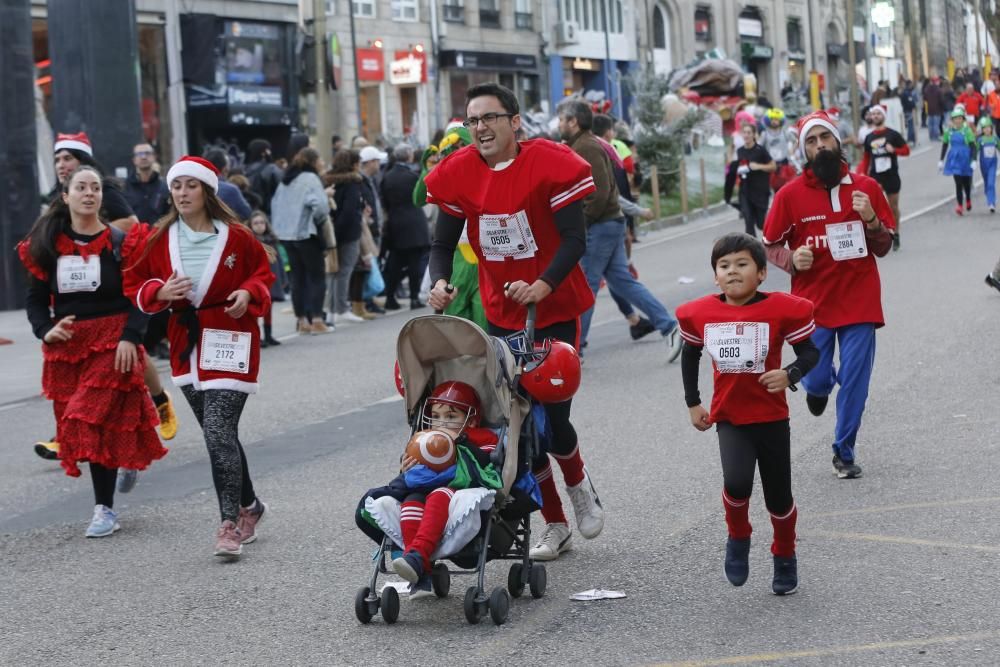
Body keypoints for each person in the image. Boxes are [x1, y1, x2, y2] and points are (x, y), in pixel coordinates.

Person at [425, 83, 605, 561]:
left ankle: (579, 484)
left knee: (551, 420)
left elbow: (574, 240)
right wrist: (439, 282)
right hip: (502, 313)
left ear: (514, 121)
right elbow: (443, 244)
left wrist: (542, 285)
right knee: (519, 427)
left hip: (554, 309)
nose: (480, 128)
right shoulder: (458, 173)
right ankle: (555, 522)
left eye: (490, 118)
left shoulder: (550, 163)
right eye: (473, 120)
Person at [123, 155, 274, 560]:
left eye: (191, 185)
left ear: (207, 191)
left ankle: (228, 525)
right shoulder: (159, 239)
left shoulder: (237, 237)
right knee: (217, 434)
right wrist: (159, 291)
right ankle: (251, 507)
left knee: (218, 430)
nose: (183, 193)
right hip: (185, 343)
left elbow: (262, 274)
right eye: (177, 186)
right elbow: (134, 281)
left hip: (230, 335)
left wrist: (248, 292)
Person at [18, 166, 166, 536]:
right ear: (65, 196)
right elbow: (36, 301)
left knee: (87, 418)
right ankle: (122, 457)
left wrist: (131, 337)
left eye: (95, 188)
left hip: (114, 341)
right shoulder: (48, 245)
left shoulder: (121, 242)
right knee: (85, 428)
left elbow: (139, 297)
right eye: (80, 187)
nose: (89, 193)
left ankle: (104, 510)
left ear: (102, 197)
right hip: (68, 347)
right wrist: (45, 330)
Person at [677, 232, 819, 595]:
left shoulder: (781, 308)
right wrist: (693, 401)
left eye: (742, 264)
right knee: (737, 482)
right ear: (715, 276)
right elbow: (690, 354)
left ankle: (784, 555)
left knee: (779, 497)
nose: (732, 272)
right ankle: (738, 536)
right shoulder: (700, 313)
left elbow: (810, 353)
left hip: (771, 418)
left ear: (761, 274)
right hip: (730, 418)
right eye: (724, 266)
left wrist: (790, 373)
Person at [762, 110, 895, 479]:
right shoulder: (789, 196)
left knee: (855, 379)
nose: (819, 145)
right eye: (811, 141)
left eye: (825, 138)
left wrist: (870, 221)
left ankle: (844, 451)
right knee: (818, 379)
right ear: (802, 149)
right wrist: (791, 259)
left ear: (838, 141)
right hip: (812, 307)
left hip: (859, 302)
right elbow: (770, 244)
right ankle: (816, 389)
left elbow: (884, 246)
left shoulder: (867, 188)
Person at [34, 132, 177, 463]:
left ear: (83, 161)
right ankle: (71, 431)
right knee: (96, 381)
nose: (61, 165)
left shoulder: (103, 190)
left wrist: (95, 238)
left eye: (67, 158)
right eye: (57, 160)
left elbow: (129, 221)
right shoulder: (60, 193)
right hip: (75, 303)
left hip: (112, 277)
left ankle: (159, 400)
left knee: (132, 352)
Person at [556, 98, 683, 360]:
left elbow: (599, 194)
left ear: (574, 122)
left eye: (562, 119)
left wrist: (581, 225)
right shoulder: (585, 144)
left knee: (586, 287)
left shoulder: (587, 147)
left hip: (600, 226)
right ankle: (669, 326)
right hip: (609, 223)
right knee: (622, 282)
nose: (558, 124)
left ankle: (573, 350)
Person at [389, 382, 500, 598]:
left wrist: (461, 443)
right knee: (411, 504)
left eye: (451, 417)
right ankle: (421, 572)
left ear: (471, 419)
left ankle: (418, 556)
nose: (442, 423)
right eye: (436, 416)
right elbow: (413, 469)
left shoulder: (482, 437)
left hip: (459, 488)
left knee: (440, 496)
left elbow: (486, 460)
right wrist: (407, 465)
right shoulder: (425, 437)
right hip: (425, 487)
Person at [270, 147, 334, 334]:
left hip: (286, 234)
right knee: (316, 276)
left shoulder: (285, 180)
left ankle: (302, 321)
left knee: (297, 278)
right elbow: (321, 206)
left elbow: (275, 205)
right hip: (306, 232)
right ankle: (317, 319)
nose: (322, 163)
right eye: (320, 159)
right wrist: (319, 220)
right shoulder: (310, 179)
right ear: (313, 162)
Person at [381, 143, 431, 311]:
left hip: (395, 224)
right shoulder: (412, 176)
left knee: (394, 263)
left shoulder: (387, 176)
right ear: (409, 156)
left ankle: (389, 297)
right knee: (414, 264)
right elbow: (421, 196)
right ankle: (414, 298)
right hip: (414, 223)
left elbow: (384, 201)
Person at [858, 104, 909, 250]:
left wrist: (895, 150)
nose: (875, 116)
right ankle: (883, 234)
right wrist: (862, 172)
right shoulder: (869, 137)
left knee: (893, 207)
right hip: (876, 177)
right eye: (873, 114)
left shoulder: (892, 134)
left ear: (883, 116)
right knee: (875, 207)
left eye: (878, 114)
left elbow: (906, 150)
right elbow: (866, 158)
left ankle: (896, 233)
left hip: (891, 175)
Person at [328, 149, 370, 322]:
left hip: (331, 231)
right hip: (349, 233)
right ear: (353, 164)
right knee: (345, 270)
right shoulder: (353, 183)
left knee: (332, 272)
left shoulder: (330, 181)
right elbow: (349, 211)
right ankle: (341, 308)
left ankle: (331, 309)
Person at [734, 122, 777, 237]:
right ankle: (752, 251)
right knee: (748, 221)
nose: (746, 135)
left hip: (760, 191)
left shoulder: (760, 150)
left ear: (754, 135)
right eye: (744, 133)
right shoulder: (740, 151)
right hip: (745, 191)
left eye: (749, 133)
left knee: (761, 223)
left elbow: (773, 166)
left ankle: (773, 238)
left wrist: (759, 166)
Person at [248, 210, 284, 346]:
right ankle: (257, 337)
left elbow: (279, 262)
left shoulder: (272, 241)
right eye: (256, 223)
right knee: (256, 309)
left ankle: (269, 335)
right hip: (257, 282)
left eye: (262, 222)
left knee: (268, 308)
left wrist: (283, 280)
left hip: (271, 281)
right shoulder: (249, 242)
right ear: (250, 225)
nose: (259, 226)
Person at [939, 108, 977, 215]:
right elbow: (945, 144)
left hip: (965, 159)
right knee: (958, 183)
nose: (958, 121)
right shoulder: (949, 131)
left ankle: (968, 199)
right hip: (954, 159)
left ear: (963, 119)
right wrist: (941, 160)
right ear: (952, 120)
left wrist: (974, 160)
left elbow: (973, 146)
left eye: (960, 118)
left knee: (966, 183)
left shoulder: (967, 131)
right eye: (955, 119)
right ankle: (960, 205)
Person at [123, 142, 170, 224]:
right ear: (134, 160)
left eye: (147, 153)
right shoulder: (124, 188)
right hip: (134, 235)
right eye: (139, 154)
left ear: (154, 157)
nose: (143, 157)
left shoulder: (164, 187)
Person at [204, 148, 252, 221]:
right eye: (228, 164)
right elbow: (247, 213)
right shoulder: (230, 189)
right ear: (225, 168)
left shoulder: (198, 185)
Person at [244, 139, 283, 214]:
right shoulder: (272, 168)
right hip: (268, 211)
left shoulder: (245, 169)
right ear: (263, 152)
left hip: (251, 210)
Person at [978, 117, 999, 213]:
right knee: (987, 183)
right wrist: (972, 160)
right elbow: (975, 151)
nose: (987, 130)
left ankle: (991, 203)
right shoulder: (980, 140)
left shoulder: (995, 139)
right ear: (982, 130)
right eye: (985, 128)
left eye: (988, 127)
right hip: (983, 165)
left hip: (993, 164)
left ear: (991, 128)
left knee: (991, 183)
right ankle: (989, 195)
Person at [924, 77, 945, 141]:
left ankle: (931, 136)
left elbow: (925, 98)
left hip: (929, 109)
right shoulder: (939, 90)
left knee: (930, 124)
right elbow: (941, 100)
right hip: (937, 109)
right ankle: (936, 136)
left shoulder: (927, 89)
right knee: (936, 124)